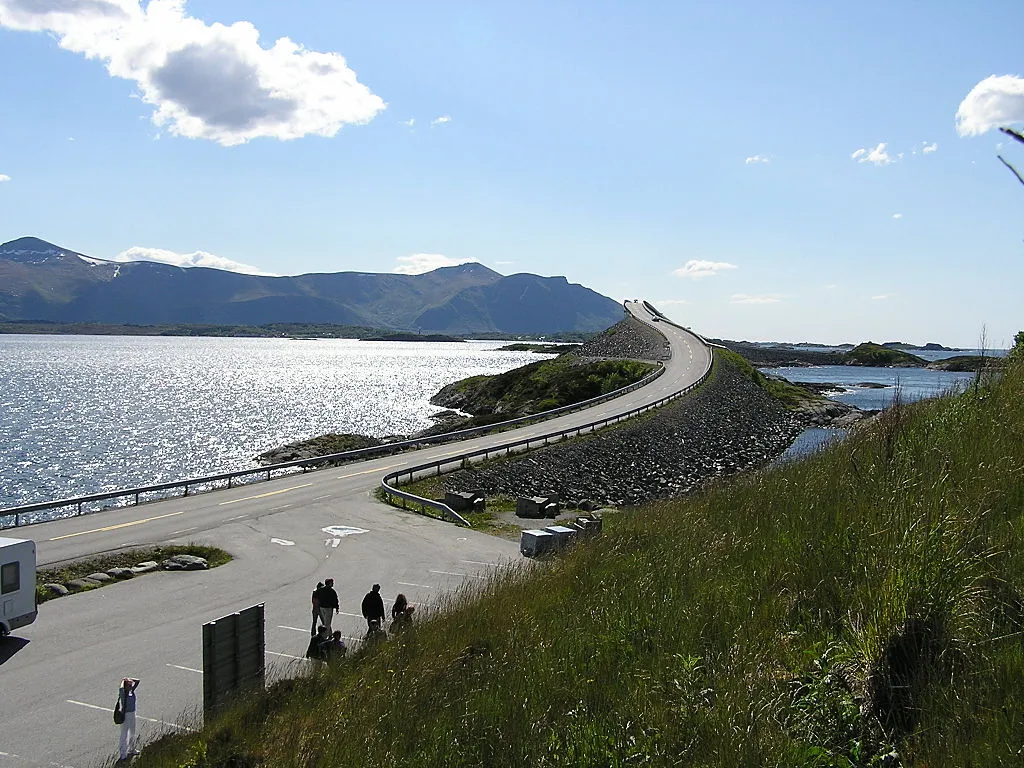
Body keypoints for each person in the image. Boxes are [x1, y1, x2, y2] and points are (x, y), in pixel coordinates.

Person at [116, 677, 141, 761]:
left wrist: (130, 679)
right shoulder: (123, 694)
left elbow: (138, 681)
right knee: (124, 734)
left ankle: (132, 748)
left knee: (132, 732)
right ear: (125, 686)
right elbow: (121, 688)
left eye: (131, 685)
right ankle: (123, 753)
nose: (131, 687)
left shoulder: (131, 692)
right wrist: (123, 681)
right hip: (126, 715)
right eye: (129, 685)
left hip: (132, 714)